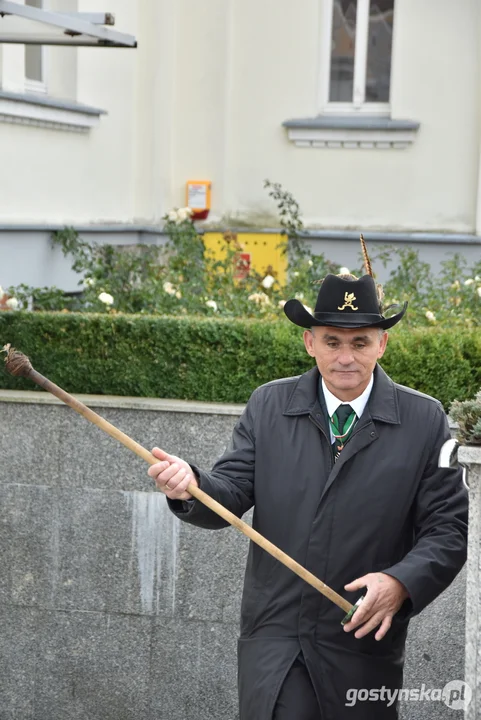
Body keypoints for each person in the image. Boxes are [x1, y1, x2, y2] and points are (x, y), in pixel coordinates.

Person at [148, 254, 468, 720]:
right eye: (331, 341)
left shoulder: (425, 420)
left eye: (360, 342)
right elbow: (230, 493)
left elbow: (448, 530)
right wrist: (191, 486)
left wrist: (400, 583)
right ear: (308, 342)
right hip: (276, 637)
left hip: (360, 639)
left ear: (382, 344)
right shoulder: (269, 404)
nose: (345, 357)